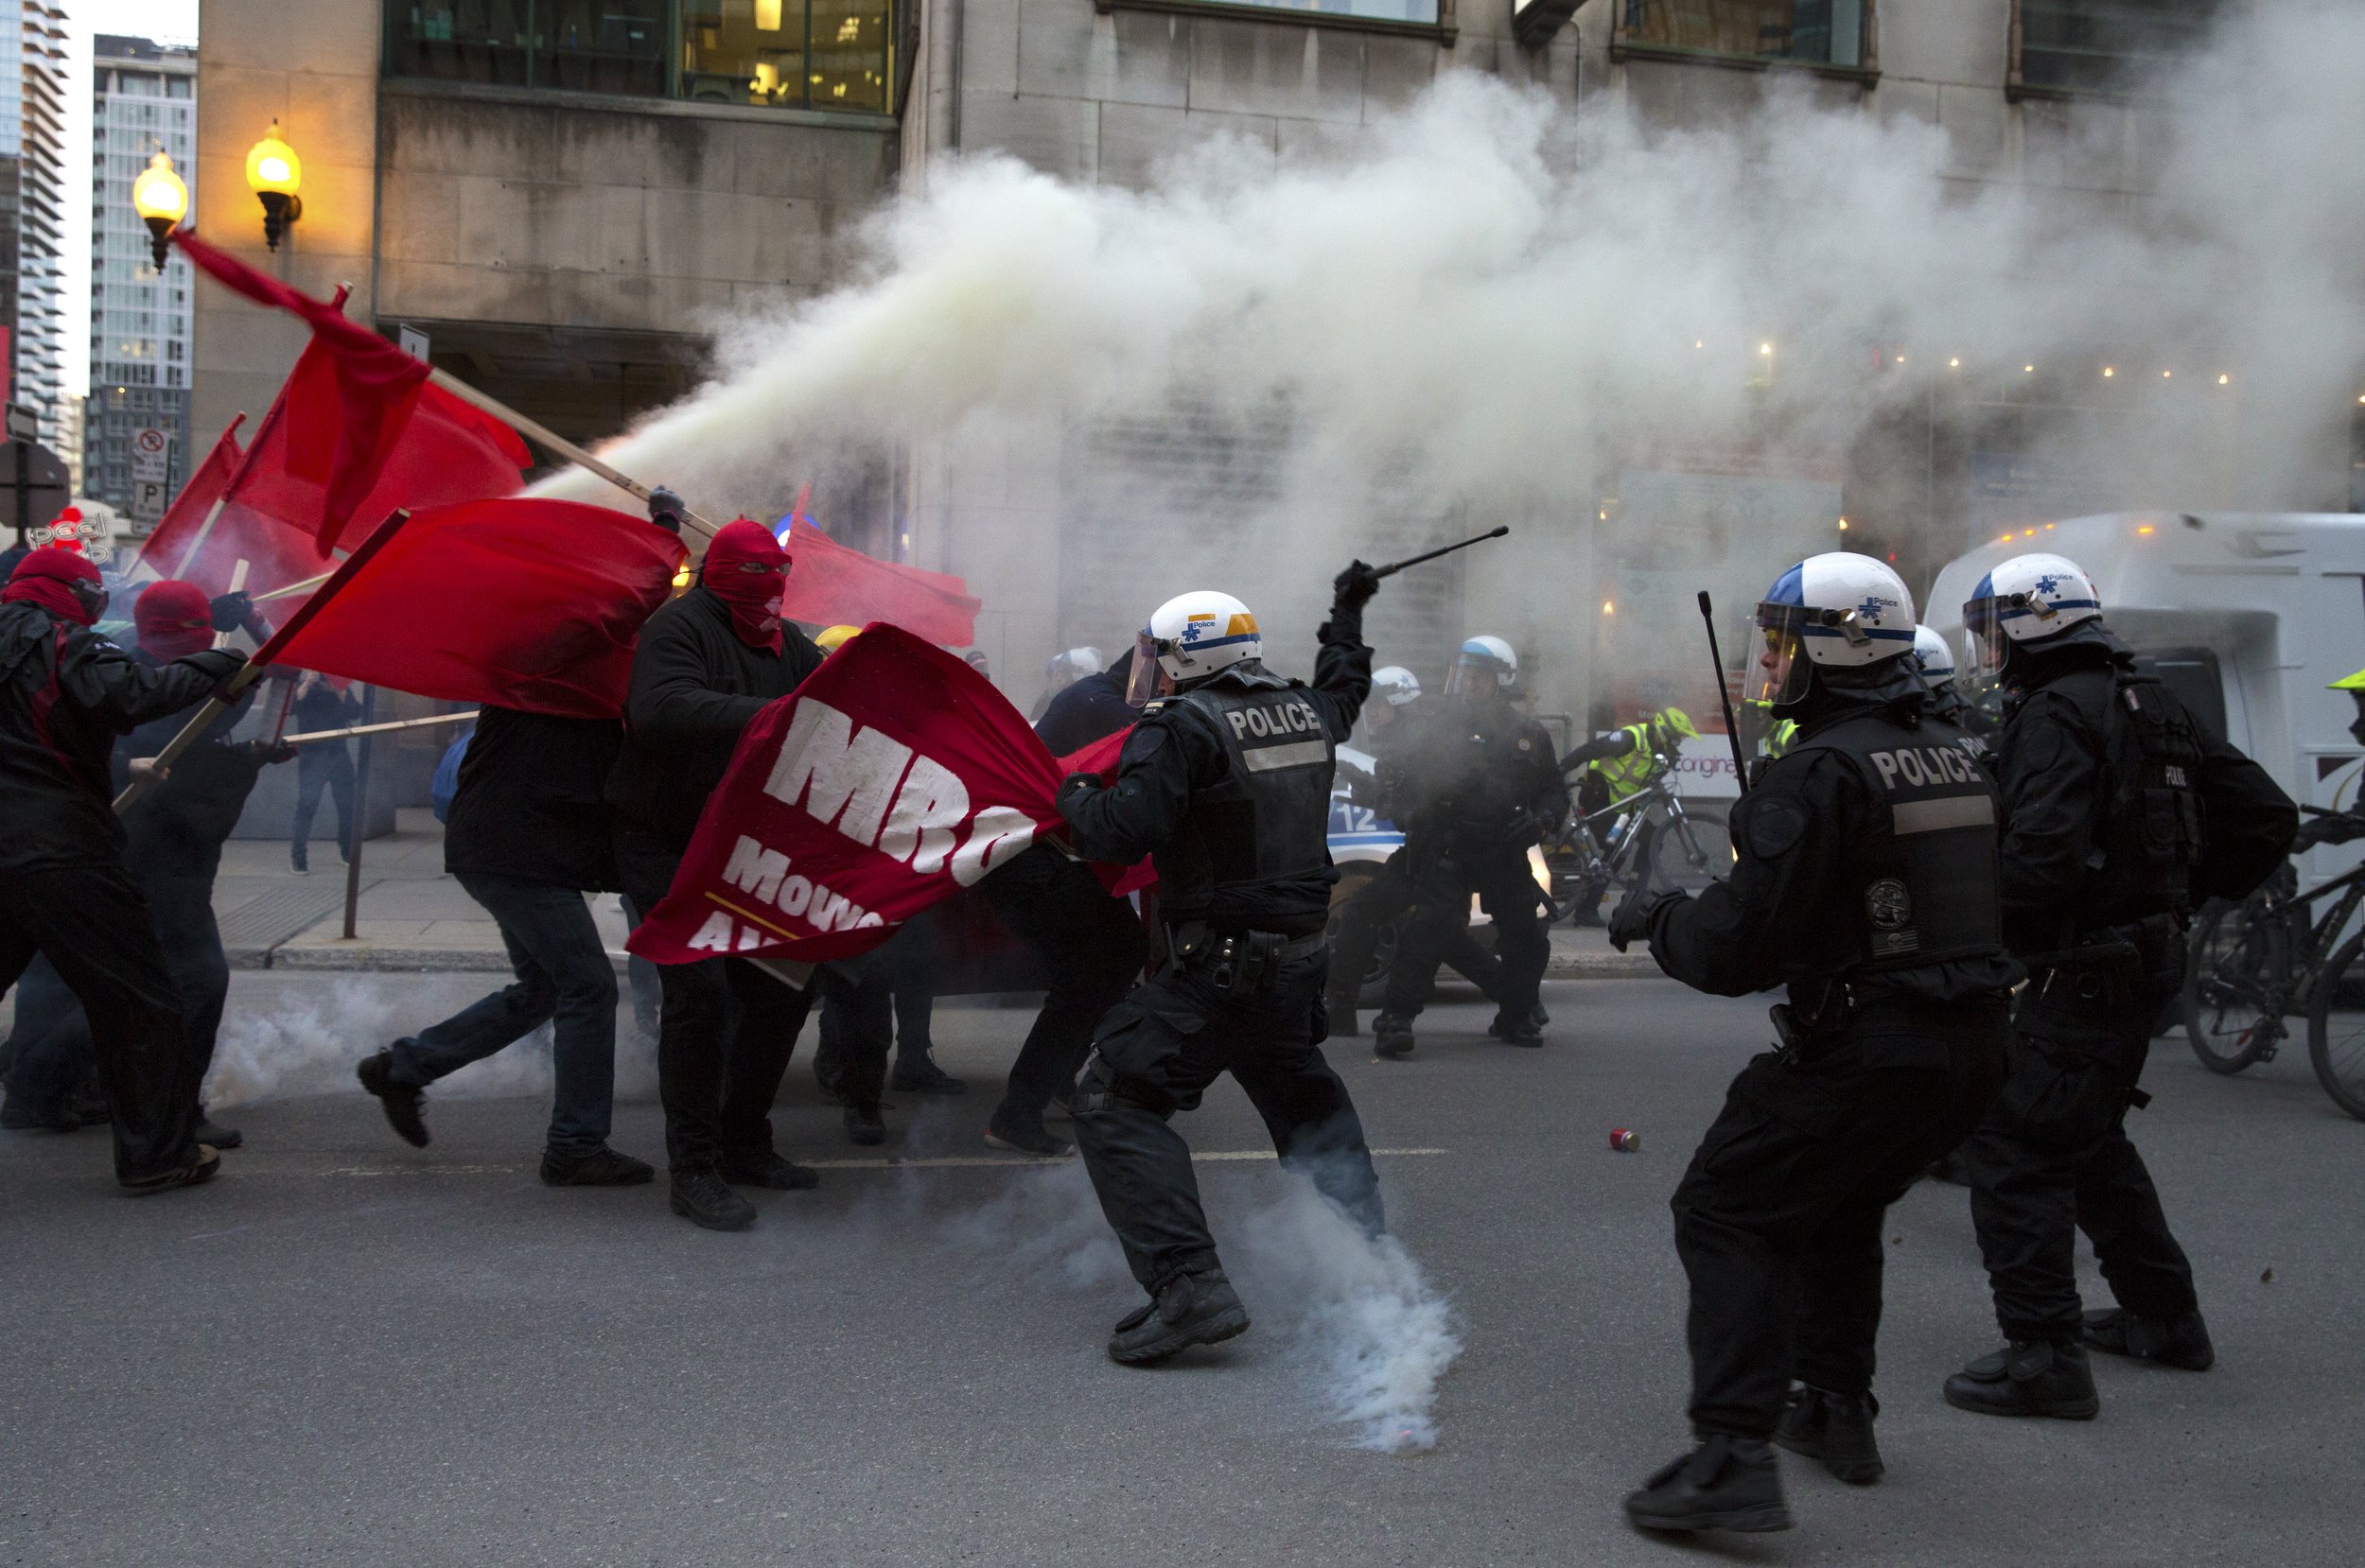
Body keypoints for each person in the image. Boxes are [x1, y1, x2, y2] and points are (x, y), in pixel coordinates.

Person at [1607, 551, 2018, 1534]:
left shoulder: (1818, 770)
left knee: (1727, 1208)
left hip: (1871, 1047)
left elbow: (1741, 947)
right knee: (1838, 1205)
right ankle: (1836, 1407)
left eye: (1786, 641)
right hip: (1968, 1049)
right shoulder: (1948, 750)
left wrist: (1658, 914)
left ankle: (1730, 1453)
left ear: (1834, 648)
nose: (1771, 660)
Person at [1943, 553, 2294, 1420]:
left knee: (2015, 1145)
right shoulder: (2153, 698)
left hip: (2080, 970)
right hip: (2140, 964)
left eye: (1993, 629)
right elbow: (2267, 816)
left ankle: (2044, 1357)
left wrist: (1980, 939)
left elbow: (2040, 861)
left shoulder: (2057, 711)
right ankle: (2166, 1319)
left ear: (2029, 623)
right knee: (2090, 1138)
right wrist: (2176, 899)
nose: (1987, 649)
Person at [1055, 567, 1387, 1365]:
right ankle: (1366, 1254)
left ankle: (1189, 1289)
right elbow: (1347, 685)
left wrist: (1067, 793)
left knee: (1112, 1097)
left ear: (1188, 658)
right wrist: (1347, 613)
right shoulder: (1306, 709)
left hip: (1221, 966)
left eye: (1159, 656)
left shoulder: (1180, 729)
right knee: (1300, 1097)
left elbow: (1119, 831)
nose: (1152, 670)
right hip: (1300, 963)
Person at [1, 582, 292, 1147]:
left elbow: (270, 673)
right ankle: (160, 1111)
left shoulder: (102, 663)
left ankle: (43, 1091)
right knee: (186, 980)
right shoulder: (131, 677)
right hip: (144, 857)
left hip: (83, 850)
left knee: (70, 980)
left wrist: (252, 626)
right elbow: (175, 744)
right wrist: (243, 752)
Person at [608, 508, 829, 1230]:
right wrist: (773, 715)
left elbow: (831, 700)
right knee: (699, 995)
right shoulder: (679, 628)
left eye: (780, 581)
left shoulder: (788, 643)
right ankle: (694, 1167)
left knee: (784, 986)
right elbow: (662, 708)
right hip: (666, 838)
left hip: (745, 841)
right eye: (758, 581)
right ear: (723, 579)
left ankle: (746, 1141)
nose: (772, 596)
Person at [354, 690, 655, 1187]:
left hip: (508, 848)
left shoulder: (555, 680)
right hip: (520, 851)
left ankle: (403, 1068)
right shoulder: (566, 685)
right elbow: (603, 787)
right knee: (589, 986)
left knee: (547, 989)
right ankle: (575, 1146)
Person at [1366, 636, 1566, 1058]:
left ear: (1501, 681)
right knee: (1429, 930)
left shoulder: (1527, 734)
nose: (1468, 685)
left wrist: (1542, 821)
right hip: (1448, 846)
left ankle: (1517, 1015)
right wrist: (1405, 804)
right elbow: (1397, 771)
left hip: (1504, 850)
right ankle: (1397, 1019)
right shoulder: (1435, 726)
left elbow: (1553, 790)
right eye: (1464, 676)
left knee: (1525, 939)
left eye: (1478, 678)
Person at [1324, 661, 1511, 1037]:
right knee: (1364, 912)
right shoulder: (1402, 744)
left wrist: (1368, 785)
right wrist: (1354, 777)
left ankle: (1515, 999)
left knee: (1434, 937)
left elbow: (1424, 801)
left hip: (1445, 861)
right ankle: (1340, 1010)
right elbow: (1396, 802)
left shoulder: (1424, 744)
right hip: (1417, 856)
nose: (1371, 715)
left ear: (1398, 707)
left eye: (1378, 706)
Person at [1562, 706, 1702, 925]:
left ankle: (1635, 897)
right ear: (1664, 732)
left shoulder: (1660, 751)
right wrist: (1559, 770)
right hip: (1600, 801)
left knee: (1653, 838)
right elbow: (1589, 749)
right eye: (1676, 737)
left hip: (1624, 810)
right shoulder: (1631, 738)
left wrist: (1666, 764)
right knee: (1615, 852)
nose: (1678, 743)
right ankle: (1586, 911)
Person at [288, 670, 360, 873]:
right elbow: (290, 707)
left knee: (347, 805)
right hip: (312, 754)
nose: (321, 677)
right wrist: (308, 683)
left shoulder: (338, 688)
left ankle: (346, 850)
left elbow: (355, 712)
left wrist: (338, 689)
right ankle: (298, 857)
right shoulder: (304, 687)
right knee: (307, 805)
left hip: (338, 752)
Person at [1030, 646, 1105, 722]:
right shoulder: (1050, 701)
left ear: (1079, 675)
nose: (1058, 678)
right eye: (1054, 673)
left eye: (1064, 673)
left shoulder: (1098, 705)